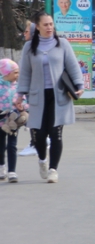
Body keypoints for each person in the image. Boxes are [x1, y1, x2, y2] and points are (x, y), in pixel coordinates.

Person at [17, 11, 84, 184]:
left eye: (51, 24)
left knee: (56, 133)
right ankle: (42, 160)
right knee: (38, 136)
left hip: (58, 95)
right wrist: (20, 94)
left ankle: (53, 169)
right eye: (45, 24)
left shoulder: (62, 44)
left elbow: (73, 67)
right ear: (37, 27)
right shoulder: (29, 47)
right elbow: (25, 72)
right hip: (38, 96)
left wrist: (79, 85)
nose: (49, 27)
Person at [19, 21, 48, 157]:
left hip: (35, 89)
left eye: (26, 31)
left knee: (34, 116)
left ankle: (35, 144)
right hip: (33, 89)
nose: (24, 34)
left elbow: (26, 71)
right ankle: (39, 141)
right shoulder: (30, 47)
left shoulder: (33, 48)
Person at [0, 59, 26, 182]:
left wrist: (23, 108)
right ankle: (1, 168)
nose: (17, 75)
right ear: (5, 73)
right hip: (1, 121)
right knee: (1, 145)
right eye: (15, 72)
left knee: (12, 145)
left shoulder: (18, 87)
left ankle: (12, 172)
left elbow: (24, 101)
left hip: (13, 122)